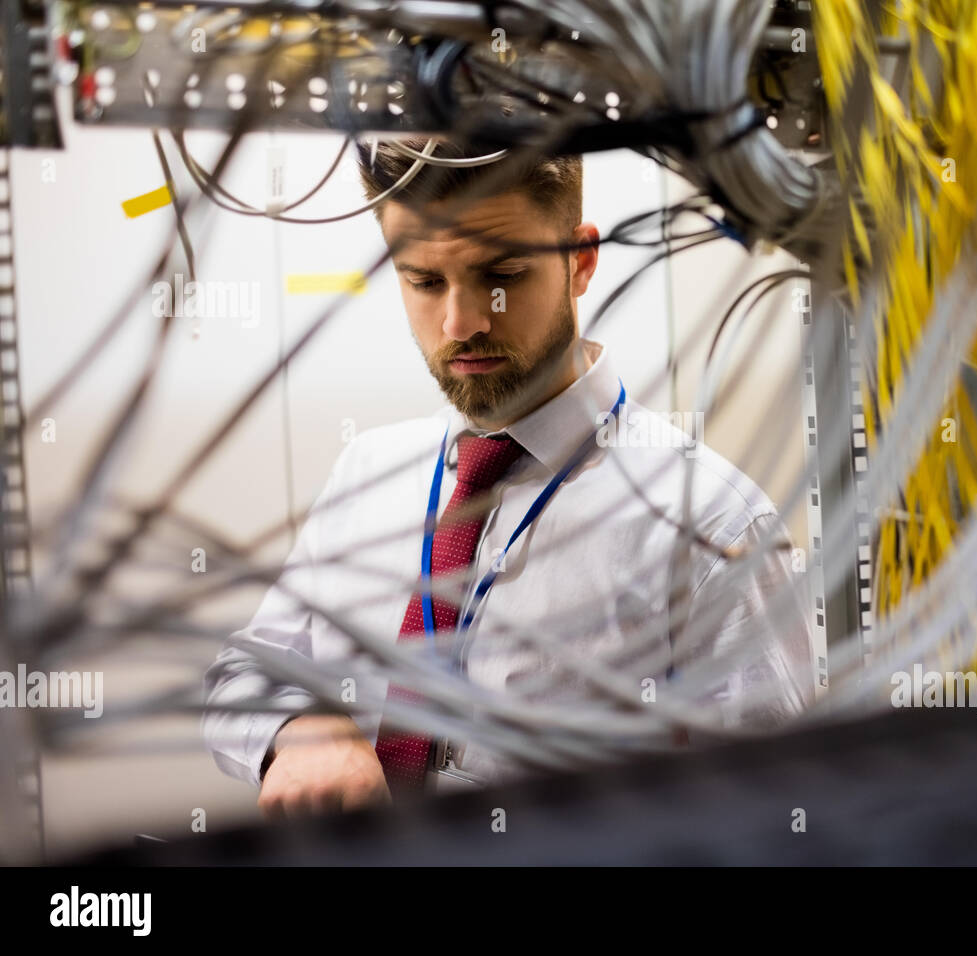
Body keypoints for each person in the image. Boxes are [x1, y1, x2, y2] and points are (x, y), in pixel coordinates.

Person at [201, 138, 815, 818]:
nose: (460, 323)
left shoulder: (710, 524)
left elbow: (769, 816)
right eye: (424, 282)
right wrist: (303, 732)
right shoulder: (366, 471)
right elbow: (243, 672)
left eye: (503, 275)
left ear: (581, 261)